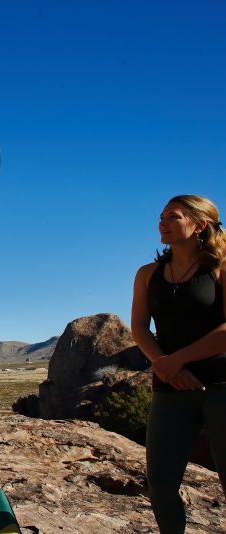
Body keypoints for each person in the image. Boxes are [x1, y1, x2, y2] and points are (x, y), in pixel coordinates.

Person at [130, 194, 226, 533]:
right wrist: (163, 364)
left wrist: (177, 361)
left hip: (220, 384)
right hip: (170, 387)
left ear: (199, 225)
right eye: (161, 217)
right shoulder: (147, 274)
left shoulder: (220, 268)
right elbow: (140, 326)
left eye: (173, 217)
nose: (162, 223)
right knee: (160, 482)